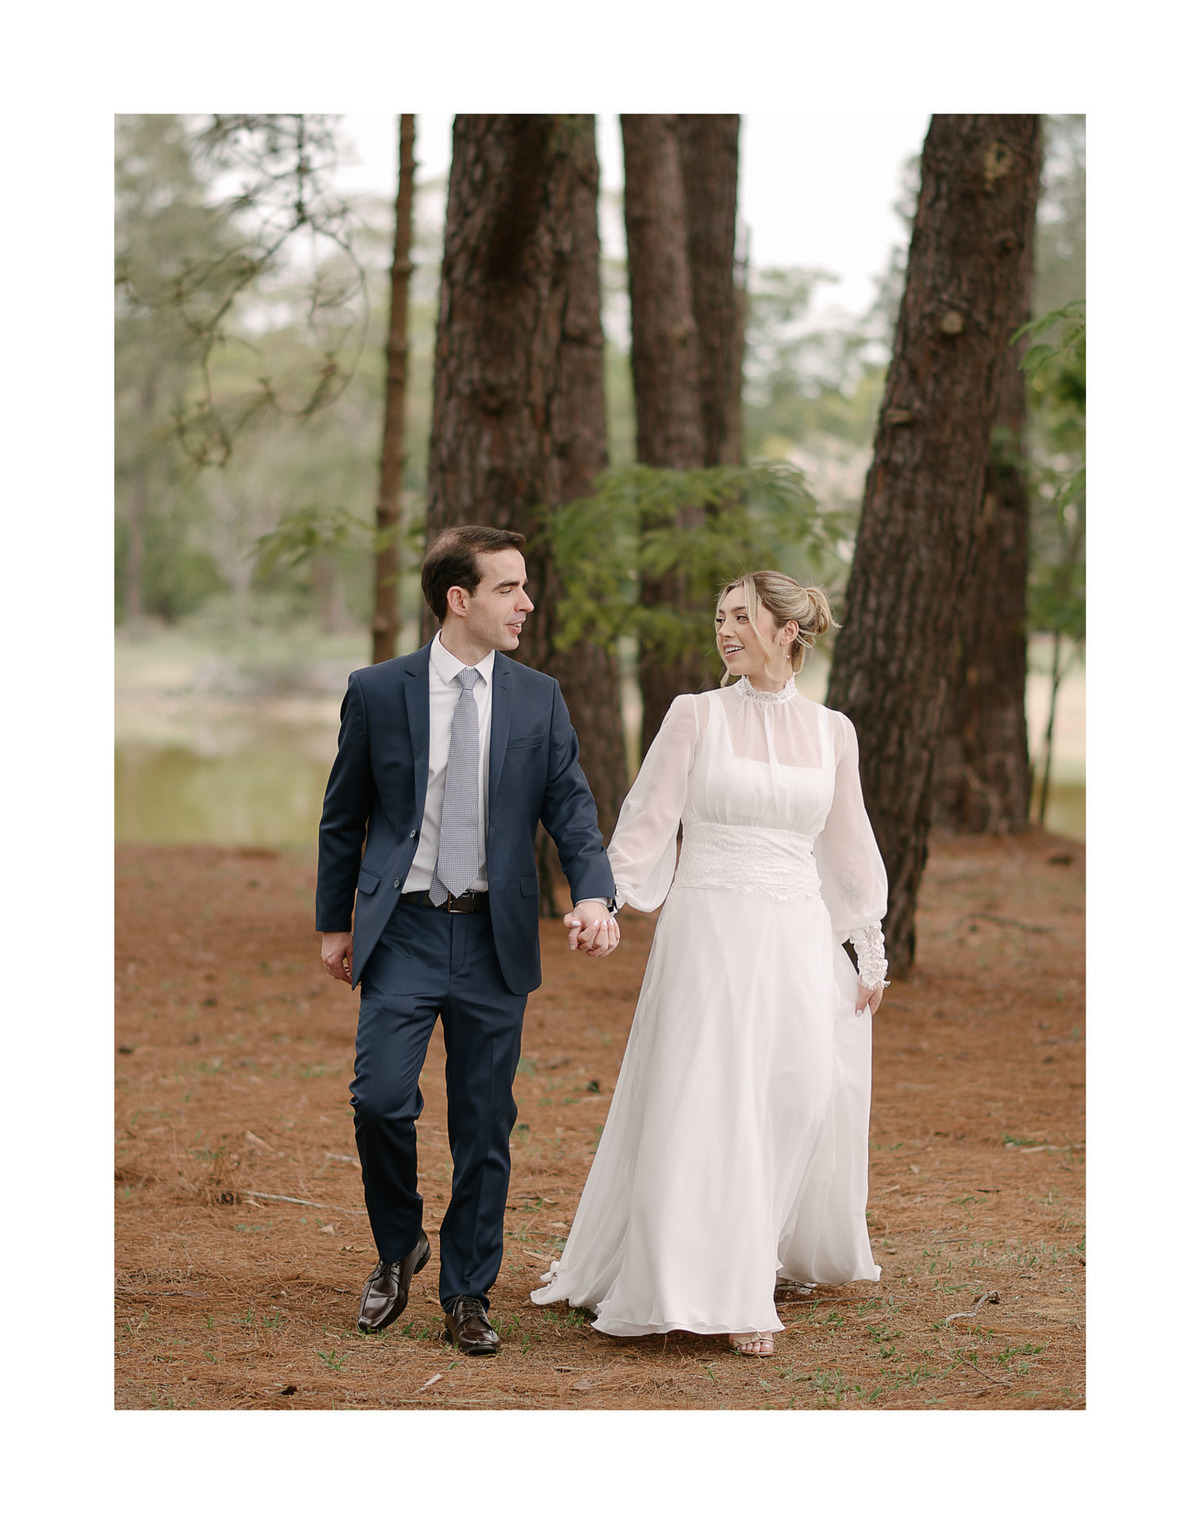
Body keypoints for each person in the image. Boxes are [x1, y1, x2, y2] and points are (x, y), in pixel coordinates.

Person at [532, 570, 889, 1357]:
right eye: (719, 616)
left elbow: (848, 844)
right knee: (712, 1094)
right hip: (710, 927)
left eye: (741, 616)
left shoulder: (834, 733)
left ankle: (754, 1245)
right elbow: (646, 822)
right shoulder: (694, 716)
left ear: (787, 630)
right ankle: (731, 1286)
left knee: (799, 1088)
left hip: (796, 930)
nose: (725, 630)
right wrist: (605, 904)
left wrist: (865, 944)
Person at [316, 525, 620, 1356]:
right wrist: (334, 922)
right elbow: (344, 816)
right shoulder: (378, 691)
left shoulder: (539, 696)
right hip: (404, 930)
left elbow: (572, 810)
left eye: (525, 588)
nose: (526, 604)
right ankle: (398, 1245)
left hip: (494, 936)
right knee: (380, 1100)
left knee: (483, 1126)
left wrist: (594, 893)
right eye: (508, 589)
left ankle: (467, 1293)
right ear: (460, 599)